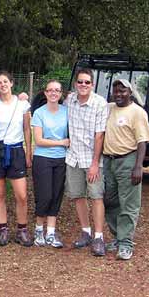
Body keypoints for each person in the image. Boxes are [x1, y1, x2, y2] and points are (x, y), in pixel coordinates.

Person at [103, 79, 149, 260]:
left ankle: (126, 243)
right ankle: (118, 237)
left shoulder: (137, 112)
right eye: (116, 91)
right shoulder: (108, 108)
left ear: (130, 93)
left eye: (122, 91)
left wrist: (138, 166)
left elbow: (142, 141)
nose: (118, 94)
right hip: (108, 161)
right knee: (109, 201)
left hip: (128, 159)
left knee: (129, 203)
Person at [0, 70, 32, 247]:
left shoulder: (22, 104)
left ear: (11, 83)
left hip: (16, 150)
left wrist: (28, 153)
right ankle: (3, 229)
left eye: (6, 81)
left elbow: (27, 129)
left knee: (21, 195)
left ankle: (22, 230)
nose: (3, 85)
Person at [65, 68, 108, 256]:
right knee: (78, 196)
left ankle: (99, 237)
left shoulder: (100, 104)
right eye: (80, 82)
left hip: (91, 159)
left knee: (96, 197)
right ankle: (86, 232)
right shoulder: (70, 100)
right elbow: (51, 96)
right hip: (73, 158)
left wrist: (94, 163)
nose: (83, 85)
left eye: (87, 82)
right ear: (76, 84)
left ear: (92, 84)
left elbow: (100, 136)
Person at [31, 80, 69, 248]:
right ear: (45, 93)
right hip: (43, 158)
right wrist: (61, 142)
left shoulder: (66, 112)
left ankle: (51, 233)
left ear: (61, 94)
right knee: (44, 195)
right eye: (50, 90)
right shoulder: (39, 113)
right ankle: (39, 230)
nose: (53, 93)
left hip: (61, 159)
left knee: (56, 195)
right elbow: (39, 140)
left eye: (57, 90)